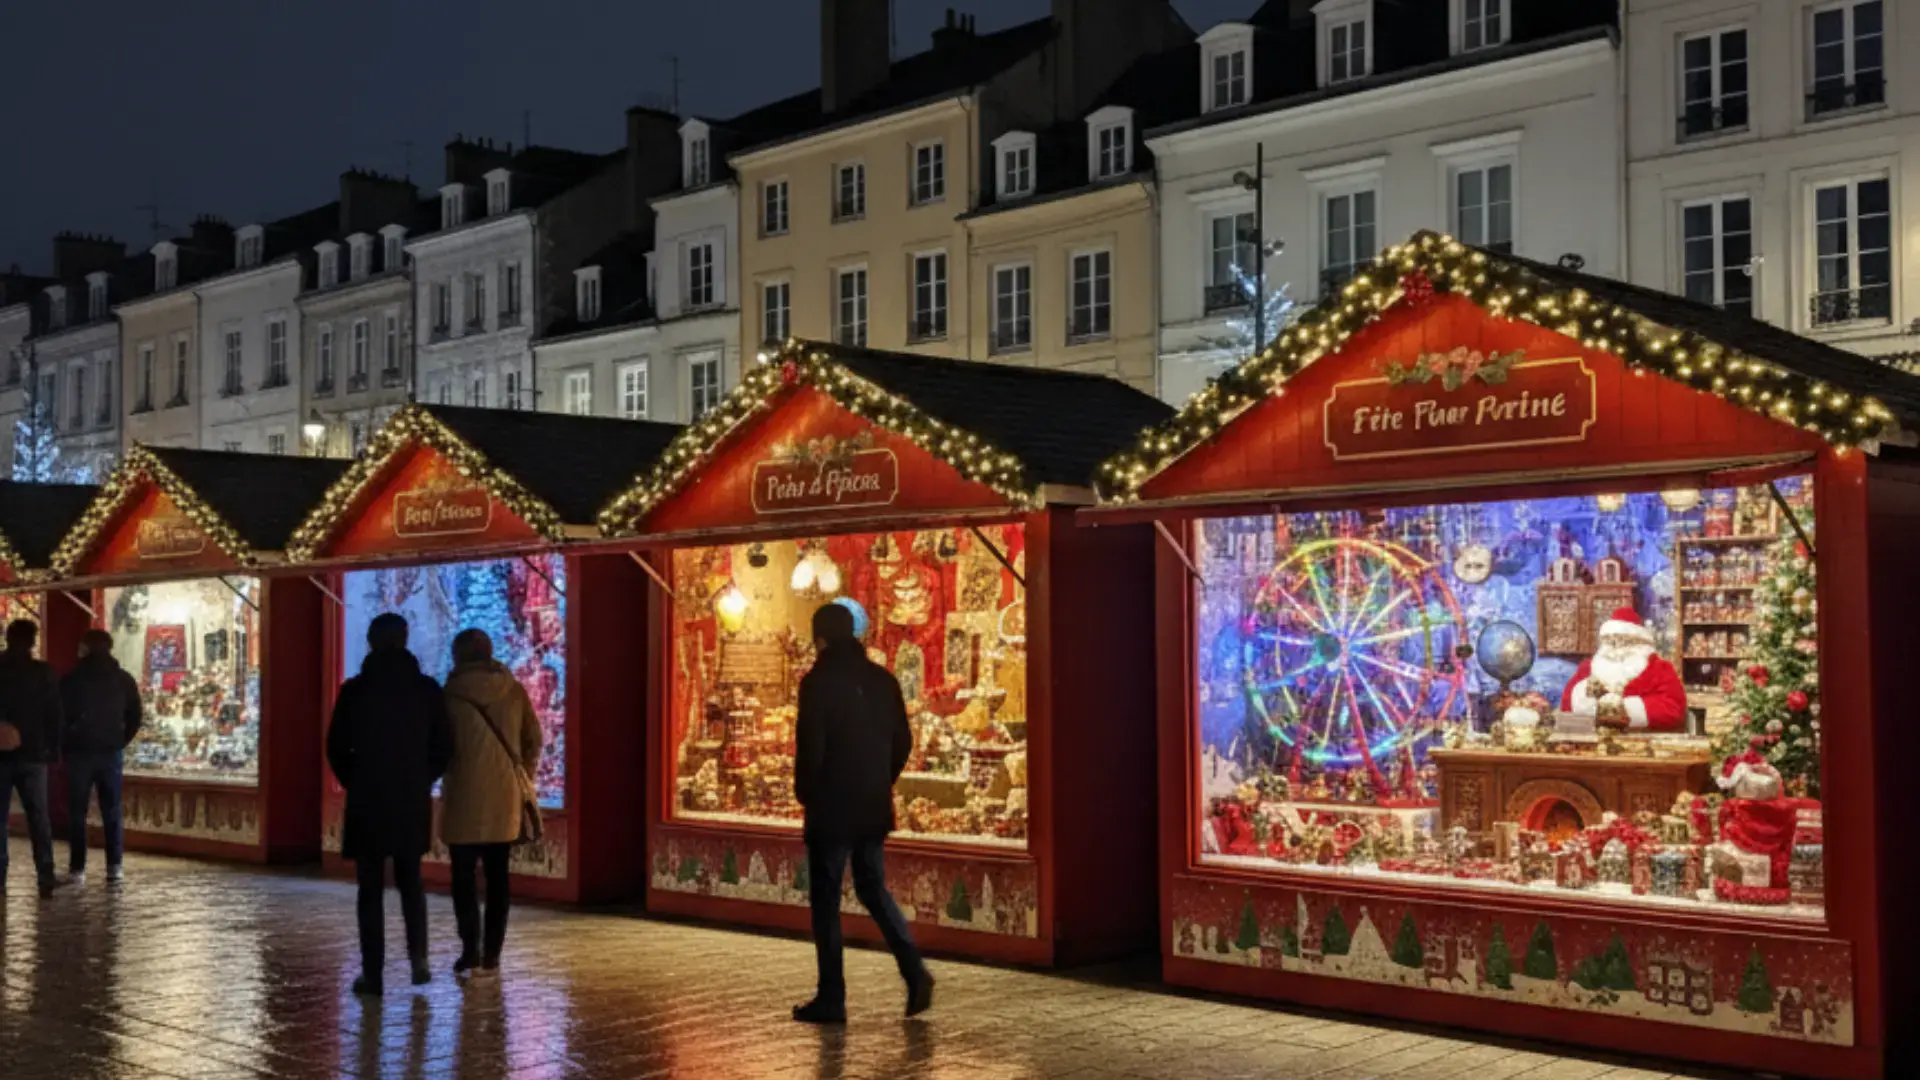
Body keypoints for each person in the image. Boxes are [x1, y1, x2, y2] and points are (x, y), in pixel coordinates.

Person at [791, 602, 933, 1023]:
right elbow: (903, 742)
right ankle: (914, 971)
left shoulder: (817, 683)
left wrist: (807, 795)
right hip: (872, 803)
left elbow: (811, 748)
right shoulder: (882, 680)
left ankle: (831, 997)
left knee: (826, 901)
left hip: (831, 806)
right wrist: (880, 779)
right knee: (873, 888)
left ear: (820, 637)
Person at [326, 613, 452, 996]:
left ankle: (373, 973)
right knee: (411, 881)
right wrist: (421, 777)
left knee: (370, 888)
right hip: (409, 797)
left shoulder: (355, 691)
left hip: (368, 798)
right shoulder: (426, 690)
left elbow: (335, 748)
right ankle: (419, 960)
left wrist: (356, 780)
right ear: (405, 639)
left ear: (370, 642)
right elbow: (444, 746)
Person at [439, 628, 542, 977]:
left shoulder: (449, 695)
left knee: (463, 879)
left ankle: (469, 947)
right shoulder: (512, 690)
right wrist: (522, 775)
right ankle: (493, 952)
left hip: (463, 797)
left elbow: (439, 746)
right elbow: (534, 738)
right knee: (498, 878)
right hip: (504, 798)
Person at [60, 628, 143, 885]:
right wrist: (120, 740)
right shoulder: (123, 679)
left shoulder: (71, 680)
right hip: (110, 753)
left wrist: (68, 740)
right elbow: (135, 716)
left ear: (85, 648)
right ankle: (114, 866)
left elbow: (58, 717)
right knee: (112, 810)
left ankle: (77, 868)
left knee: (77, 812)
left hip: (79, 754)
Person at [0, 620, 63, 898]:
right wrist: (54, 749)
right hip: (34, 754)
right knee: (38, 816)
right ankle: (45, 874)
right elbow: (55, 715)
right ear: (33, 641)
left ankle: (0, 876)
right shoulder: (42, 672)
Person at [1559, 607, 1687, 732]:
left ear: (1641, 644)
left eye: (1626, 642)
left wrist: (1627, 709)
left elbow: (1674, 710)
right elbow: (1566, 706)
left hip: (1639, 743)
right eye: (1610, 642)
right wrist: (1584, 702)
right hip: (1593, 743)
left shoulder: (1659, 669)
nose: (1616, 650)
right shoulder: (1588, 667)